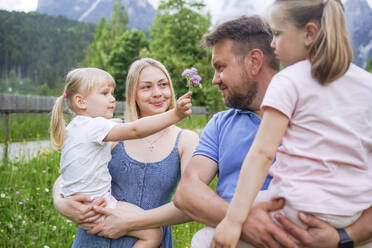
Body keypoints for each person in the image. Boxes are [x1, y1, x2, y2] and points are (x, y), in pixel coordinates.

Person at [174, 15, 372, 248]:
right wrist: (246, 224)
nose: (215, 80)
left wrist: (343, 238)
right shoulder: (220, 123)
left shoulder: (326, 118)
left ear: (254, 61)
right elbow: (187, 192)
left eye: (221, 67)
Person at [52, 59, 199, 247]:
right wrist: (61, 203)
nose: (157, 93)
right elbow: (70, 173)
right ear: (133, 94)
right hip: (96, 239)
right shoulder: (111, 130)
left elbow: (192, 206)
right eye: (146, 87)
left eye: (163, 85)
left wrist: (131, 222)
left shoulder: (186, 140)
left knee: (153, 235)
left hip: (152, 239)